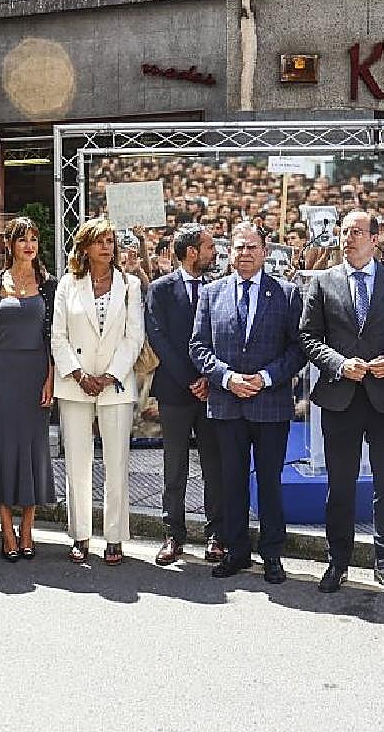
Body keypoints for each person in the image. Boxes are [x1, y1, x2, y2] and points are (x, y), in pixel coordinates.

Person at [298, 211, 384, 595]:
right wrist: (340, 364)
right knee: (340, 485)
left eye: (358, 232)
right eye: (345, 232)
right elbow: (308, 337)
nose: (349, 238)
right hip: (340, 397)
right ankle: (337, 561)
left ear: (376, 239)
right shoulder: (323, 282)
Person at [190, 221, 305, 584]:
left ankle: (272, 554)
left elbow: (297, 349)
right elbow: (198, 346)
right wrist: (227, 378)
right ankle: (236, 550)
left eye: (251, 247)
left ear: (265, 252)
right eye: (238, 247)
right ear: (230, 251)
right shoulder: (211, 293)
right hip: (227, 403)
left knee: (269, 481)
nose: (244, 253)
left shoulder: (286, 294)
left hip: (270, 404)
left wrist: (265, 378)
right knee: (231, 481)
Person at [51, 217, 144, 565]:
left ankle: (115, 537)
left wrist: (108, 376)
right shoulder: (68, 284)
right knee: (77, 463)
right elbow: (57, 336)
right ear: (86, 247)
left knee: (116, 463)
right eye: (100, 240)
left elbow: (134, 337)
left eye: (111, 240)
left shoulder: (130, 285)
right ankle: (80, 536)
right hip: (74, 384)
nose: (107, 246)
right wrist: (77, 374)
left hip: (115, 385)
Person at [0, 217, 57, 561]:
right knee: (2, 451)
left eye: (34, 239)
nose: (29, 245)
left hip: (37, 372)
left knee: (34, 450)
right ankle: (7, 530)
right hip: (1, 375)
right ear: (9, 244)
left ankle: (27, 530)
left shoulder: (50, 285)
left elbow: (53, 338)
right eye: (22, 239)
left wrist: (50, 379)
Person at [144, 223, 225, 565]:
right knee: (174, 468)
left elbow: (223, 336)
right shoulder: (160, 290)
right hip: (175, 392)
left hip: (211, 393)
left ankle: (215, 535)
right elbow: (158, 338)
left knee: (214, 468)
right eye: (209, 247)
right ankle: (173, 535)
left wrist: (208, 378)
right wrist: (191, 379)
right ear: (192, 251)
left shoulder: (217, 288)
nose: (214, 253)